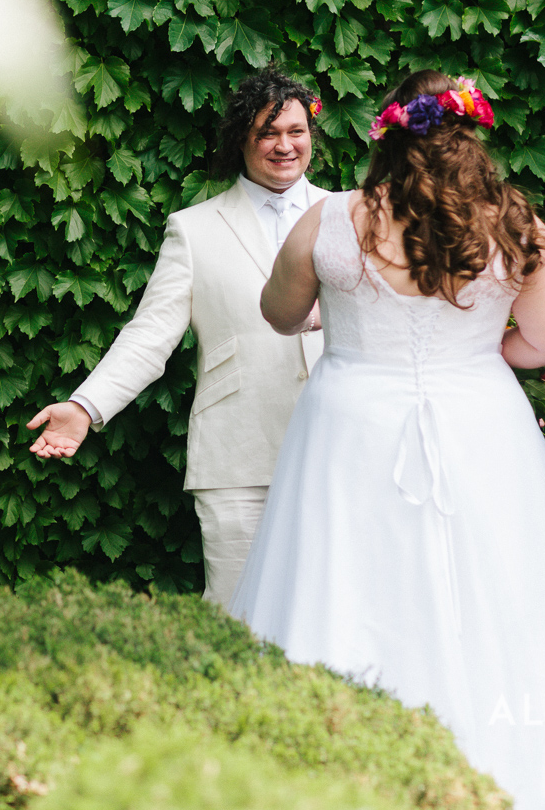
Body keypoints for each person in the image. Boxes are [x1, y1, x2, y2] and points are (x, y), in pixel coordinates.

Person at [229, 70, 545, 809]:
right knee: (503, 594)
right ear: (469, 135)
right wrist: (489, 353)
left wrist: (332, 311)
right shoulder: (515, 223)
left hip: (348, 427)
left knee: (338, 584)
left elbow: (279, 312)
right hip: (480, 424)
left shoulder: (331, 220)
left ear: (388, 134)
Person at [25, 67, 334, 607]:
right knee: (241, 613)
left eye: (296, 131)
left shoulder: (354, 215)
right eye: (268, 133)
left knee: (339, 611)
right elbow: (149, 335)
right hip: (239, 455)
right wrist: (85, 406)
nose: (285, 146)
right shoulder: (194, 229)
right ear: (242, 139)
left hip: (341, 445)